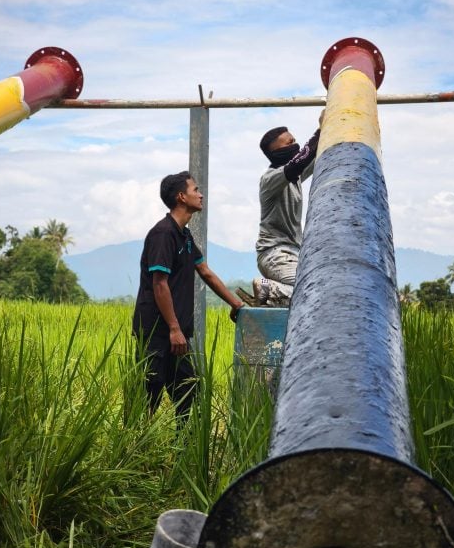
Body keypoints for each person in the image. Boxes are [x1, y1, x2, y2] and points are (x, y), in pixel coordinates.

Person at [132, 171, 244, 423]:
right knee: (149, 392)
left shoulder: (184, 234)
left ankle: (183, 450)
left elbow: (205, 272)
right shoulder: (163, 234)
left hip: (177, 332)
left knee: (187, 390)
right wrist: (173, 328)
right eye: (196, 190)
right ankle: (136, 448)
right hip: (157, 331)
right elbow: (159, 284)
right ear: (181, 197)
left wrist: (236, 303)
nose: (201, 194)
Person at [253, 113, 324, 306]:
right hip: (274, 253)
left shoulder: (295, 177)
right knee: (310, 290)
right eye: (289, 143)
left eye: (294, 140)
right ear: (276, 152)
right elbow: (299, 162)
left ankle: (270, 294)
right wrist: (320, 129)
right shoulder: (271, 178)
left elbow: (311, 158)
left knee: (317, 288)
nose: (295, 145)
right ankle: (266, 288)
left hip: (293, 252)